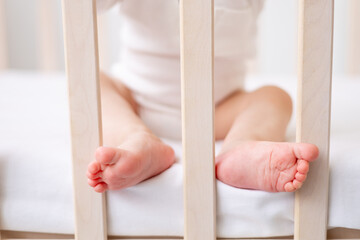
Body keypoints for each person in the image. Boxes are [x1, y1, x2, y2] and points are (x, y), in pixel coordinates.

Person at [87, 0, 319, 193]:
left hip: (218, 112)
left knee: (275, 97)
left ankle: (240, 146)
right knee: (90, 81)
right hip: (134, 101)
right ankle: (137, 139)